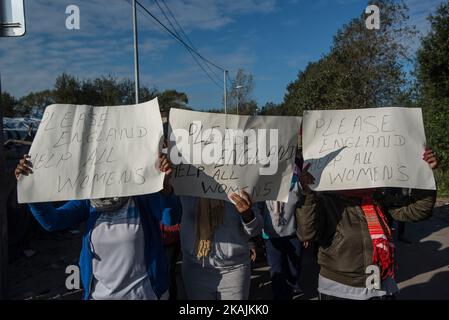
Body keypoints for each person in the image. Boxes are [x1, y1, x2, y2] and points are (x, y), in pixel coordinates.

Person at [15, 153, 181, 300]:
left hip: (146, 295)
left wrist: (165, 188)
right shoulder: (88, 201)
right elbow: (53, 221)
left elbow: (171, 218)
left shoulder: (143, 196)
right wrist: (30, 188)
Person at [296, 148, 438, 300]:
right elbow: (306, 233)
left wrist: (424, 173)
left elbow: (420, 210)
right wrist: (308, 194)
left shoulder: (378, 201)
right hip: (340, 290)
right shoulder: (326, 202)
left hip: (381, 287)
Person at [179, 192, 263, 300]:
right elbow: (169, 218)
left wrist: (247, 214)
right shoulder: (186, 181)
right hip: (196, 269)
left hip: (234, 270)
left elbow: (256, 229)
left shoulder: (241, 184)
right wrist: (166, 192)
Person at [259, 151, 304, 300]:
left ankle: (290, 290)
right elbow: (257, 208)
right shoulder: (262, 183)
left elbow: (303, 206)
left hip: (293, 234)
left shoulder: (295, 181)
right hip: (271, 236)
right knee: (277, 270)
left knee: (294, 269)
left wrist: (305, 232)